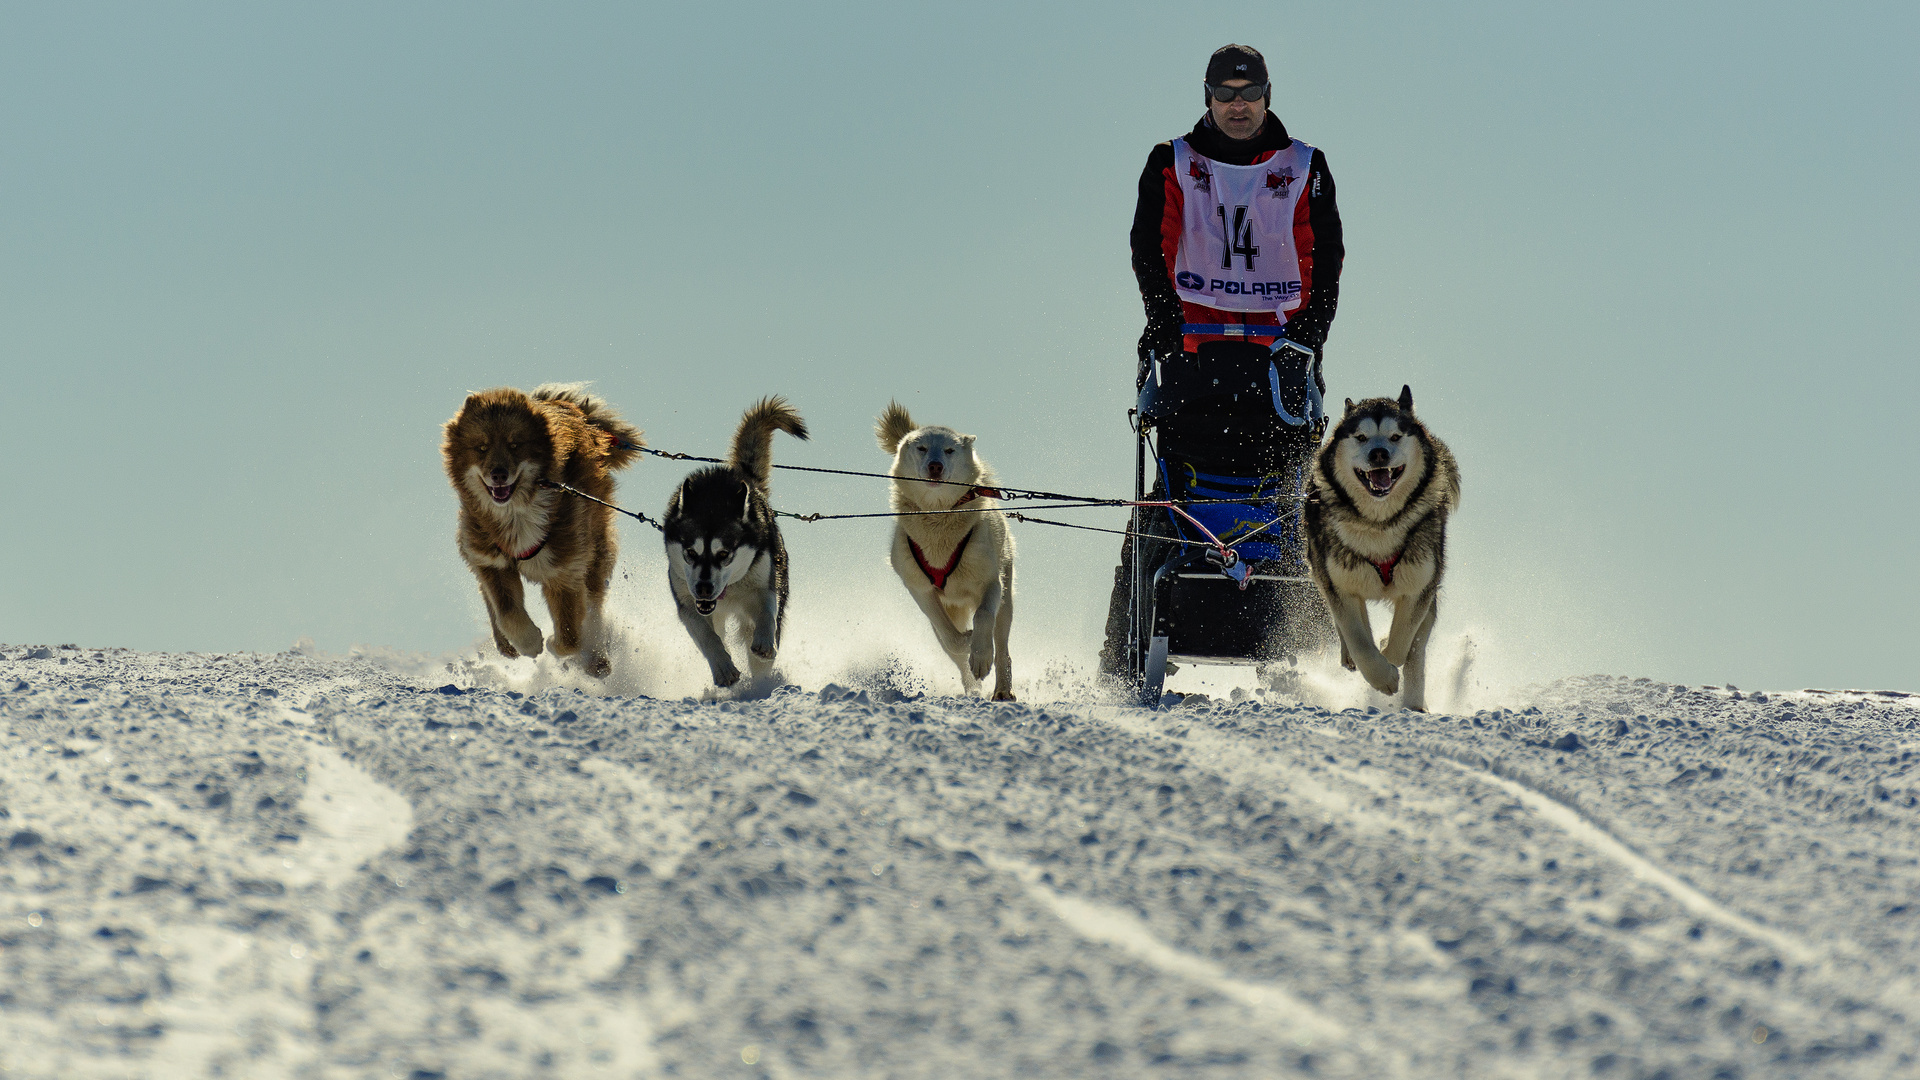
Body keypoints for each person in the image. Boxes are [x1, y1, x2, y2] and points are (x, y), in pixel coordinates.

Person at [1098, 42, 1345, 680]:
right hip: (1194, 356)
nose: (1238, 106)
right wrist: (1164, 324)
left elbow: (1325, 263)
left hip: (1276, 362)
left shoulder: (1305, 167)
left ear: (1268, 96)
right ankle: (1121, 658)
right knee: (1168, 501)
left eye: (1249, 93)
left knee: (1300, 505)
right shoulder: (1173, 162)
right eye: (1225, 94)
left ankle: (1321, 653)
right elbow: (1149, 247)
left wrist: (1307, 340)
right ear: (1208, 98)